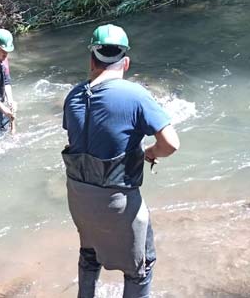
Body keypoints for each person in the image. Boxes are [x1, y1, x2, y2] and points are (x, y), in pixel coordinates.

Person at [62, 24, 181, 298]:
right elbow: (171, 144)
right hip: (117, 203)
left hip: (79, 200)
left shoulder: (73, 96)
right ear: (125, 62)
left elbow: (83, 140)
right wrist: (150, 152)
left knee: (89, 254)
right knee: (141, 266)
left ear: (91, 60)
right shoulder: (135, 95)